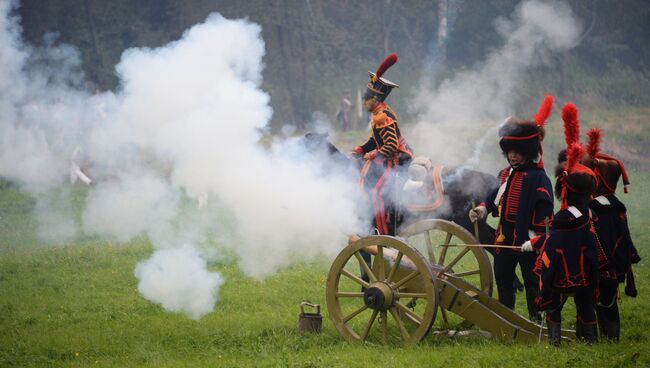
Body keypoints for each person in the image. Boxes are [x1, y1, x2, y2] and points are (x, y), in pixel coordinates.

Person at [468, 95, 554, 322]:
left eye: (517, 151)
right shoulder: (505, 174)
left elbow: (545, 212)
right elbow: (492, 197)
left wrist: (534, 239)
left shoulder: (539, 178)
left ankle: (536, 320)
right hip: (504, 236)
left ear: (527, 151)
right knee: (503, 278)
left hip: (528, 239)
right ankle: (507, 319)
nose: (513, 155)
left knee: (532, 281)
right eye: (510, 151)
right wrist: (483, 210)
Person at [522, 131, 600, 346]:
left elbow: (552, 244)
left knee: (554, 306)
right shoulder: (586, 216)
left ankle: (554, 343)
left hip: (562, 274)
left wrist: (533, 243)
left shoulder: (563, 218)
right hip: (584, 273)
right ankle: (591, 341)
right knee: (585, 305)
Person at [581, 127, 638, 341]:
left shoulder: (596, 209)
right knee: (606, 303)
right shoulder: (616, 206)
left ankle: (601, 339)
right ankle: (608, 338)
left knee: (597, 304)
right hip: (612, 267)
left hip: (599, 267)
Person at [352, 53, 413, 236]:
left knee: (376, 193)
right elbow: (376, 140)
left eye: (366, 99)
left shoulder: (382, 116)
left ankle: (382, 233)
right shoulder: (378, 113)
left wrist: (373, 154)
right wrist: (361, 149)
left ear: (375, 100)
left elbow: (391, 146)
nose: (364, 102)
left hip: (398, 159)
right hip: (389, 157)